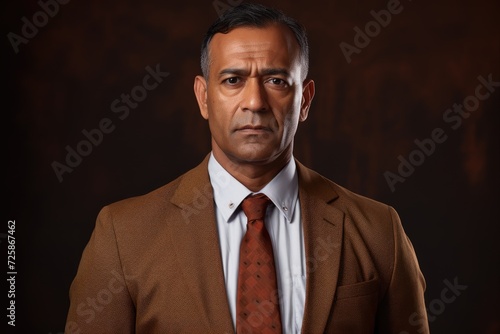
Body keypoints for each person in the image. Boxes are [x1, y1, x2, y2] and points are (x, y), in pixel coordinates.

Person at [65, 3, 429, 333]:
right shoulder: (123, 236)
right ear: (203, 96)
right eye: (233, 80)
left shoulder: (379, 231)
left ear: (305, 100)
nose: (254, 102)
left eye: (276, 81)